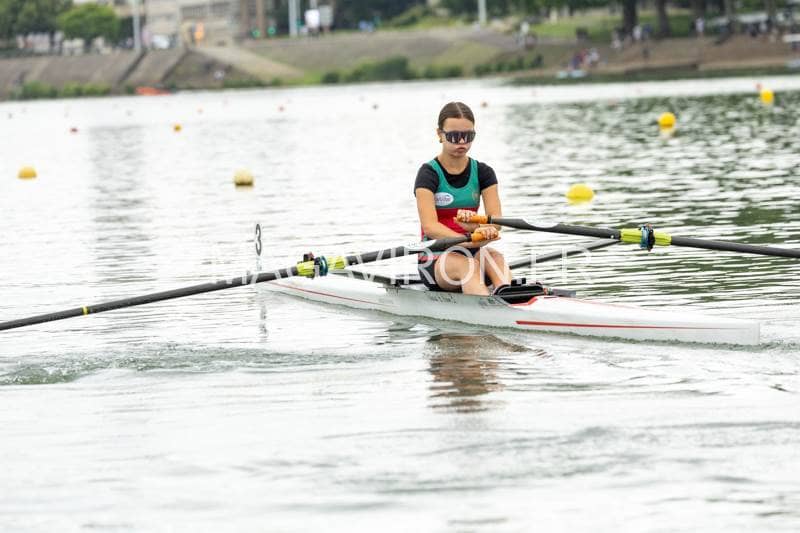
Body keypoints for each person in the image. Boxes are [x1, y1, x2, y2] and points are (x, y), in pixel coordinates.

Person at [414, 101, 511, 296]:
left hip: (472, 248)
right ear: (439, 134)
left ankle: (508, 296)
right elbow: (430, 226)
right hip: (436, 256)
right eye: (454, 136)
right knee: (469, 266)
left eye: (468, 136)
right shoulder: (428, 174)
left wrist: (478, 228)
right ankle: (487, 308)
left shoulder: (484, 172)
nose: (462, 142)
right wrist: (465, 241)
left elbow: (496, 221)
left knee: (496, 258)